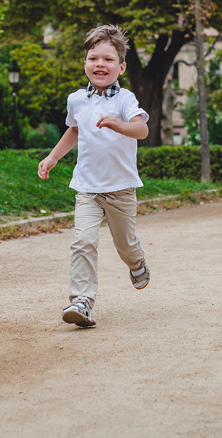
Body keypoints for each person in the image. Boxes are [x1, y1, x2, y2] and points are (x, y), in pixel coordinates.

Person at [38, 24, 151, 328]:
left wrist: (118, 124)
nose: (100, 64)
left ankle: (136, 261)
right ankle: (82, 302)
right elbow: (74, 130)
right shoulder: (77, 99)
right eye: (93, 58)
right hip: (87, 186)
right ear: (85, 63)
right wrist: (52, 157)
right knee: (83, 241)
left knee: (124, 244)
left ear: (121, 66)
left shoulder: (124, 100)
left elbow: (142, 129)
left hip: (121, 188)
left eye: (108, 59)